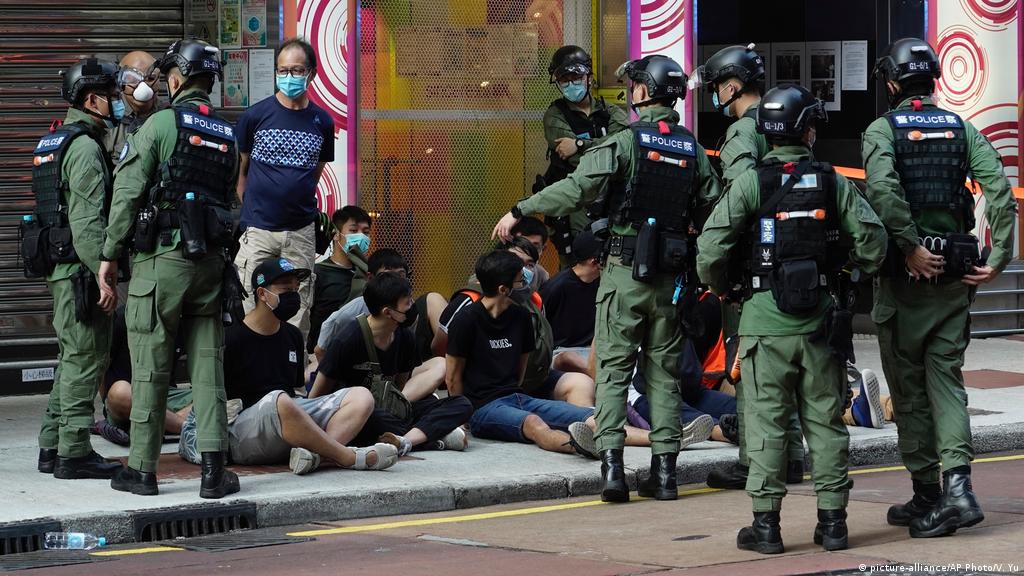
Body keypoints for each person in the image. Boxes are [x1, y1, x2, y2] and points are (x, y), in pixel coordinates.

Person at [493, 54, 722, 503]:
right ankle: (665, 474)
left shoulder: (624, 143)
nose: (631, 92)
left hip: (624, 274)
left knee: (614, 371)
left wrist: (521, 209)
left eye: (635, 86)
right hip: (671, 279)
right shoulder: (692, 149)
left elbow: (576, 189)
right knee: (664, 375)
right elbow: (713, 210)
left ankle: (614, 471)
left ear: (644, 91)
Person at [697, 83, 888, 553]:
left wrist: (727, 289)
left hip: (763, 322)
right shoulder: (832, 181)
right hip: (820, 319)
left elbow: (710, 250)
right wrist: (847, 270)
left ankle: (766, 528)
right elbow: (873, 241)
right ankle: (834, 524)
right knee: (825, 422)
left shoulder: (750, 183)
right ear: (807, 131)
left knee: (765, 422)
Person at [862, 38, 1017, 538]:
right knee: (947, 383)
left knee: (908, 389)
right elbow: (1000, 191)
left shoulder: (882, 130)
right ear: (932, 81)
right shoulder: (962, 128)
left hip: (904, 281)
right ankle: (957, 490)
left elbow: (882, 190)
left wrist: (909, 245)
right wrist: (1000, 258)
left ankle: (929, 492)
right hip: (955, 276)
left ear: (892, 84)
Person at [98, 39, 239, 498]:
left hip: (163, 262)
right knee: (208, 369)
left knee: (150, 367)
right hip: (211, 265)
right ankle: (214, 472)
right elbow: (231, 201)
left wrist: (108, 254)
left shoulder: (160, 123)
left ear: (176, 79)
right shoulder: (228, 134)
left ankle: (142, 470)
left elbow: (127, 192)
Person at [698, 43, 806, 491]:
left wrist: (721, 267)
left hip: (754, 263)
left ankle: (753, 460)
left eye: (716, 87)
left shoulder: (743, 131)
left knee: (747, 365)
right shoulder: (789, 122)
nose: (715, 95)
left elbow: (740, 197)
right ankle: (793, 456)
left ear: (731, 86)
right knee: (791, 368)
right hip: (795, 257)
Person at [30, 58, 124, 480]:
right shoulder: (84, 148)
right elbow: (87, 225)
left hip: (63, 269)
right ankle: (74, 452)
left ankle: (52, 445)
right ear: (91, 100)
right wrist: (105, 275)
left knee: (71, 358)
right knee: (86, 358)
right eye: (111, 95)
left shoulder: (55, 140)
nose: (117, 102)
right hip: (81, 272)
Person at [222, 259, 398, 474]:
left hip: (288, 420)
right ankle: (348, 457)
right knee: (279, 399)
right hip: (246, 432)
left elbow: (297, 392)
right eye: (286, 290)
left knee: (361, 396)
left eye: (296, 289)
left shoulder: (292, 335)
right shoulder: (231, 338)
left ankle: (314, 455)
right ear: (262, 294)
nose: (294, 295)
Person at [446, 250, 600, 457]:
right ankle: (584, 447)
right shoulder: (466, 320)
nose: (527, 284)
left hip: (518, 398)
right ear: (503, 289)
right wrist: (461, 415)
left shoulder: (521, 317)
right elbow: (452, 378)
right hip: (482, 408)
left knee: (591, 417)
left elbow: (521, 370)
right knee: (533, 423)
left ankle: (640, 441)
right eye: (520, 280)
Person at [233, 37, 336, 343]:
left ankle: (291, 363)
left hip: (300, 231)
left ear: (311, 73)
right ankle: (251, 365)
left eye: (297, 70)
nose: (289, 76)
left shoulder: (322, 121)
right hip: (259, 229)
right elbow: (242, 172)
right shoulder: (255, 116)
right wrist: (252, 212)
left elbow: (315, 173)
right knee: (250, 298)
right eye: (283, 70)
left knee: (298, 305)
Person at [310, 272, 473, 454]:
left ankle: (406, 440)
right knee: (375, 419)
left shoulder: (405, 337)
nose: (412, 306)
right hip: (359, 412)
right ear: (388, 312)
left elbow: (399, 390)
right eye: (407, 303)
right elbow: (316, 397)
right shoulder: (348, 339)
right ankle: (428, 436)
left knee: (462, 404)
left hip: (389, 408)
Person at [435, 238, 596, 407]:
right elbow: (442, 348)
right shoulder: (469, 302)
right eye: (517, 262)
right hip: (487, 393)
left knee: (581, 384)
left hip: (532, 380)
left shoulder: (534, 301)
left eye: (530, 264)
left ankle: (587, 420)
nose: (523, 271)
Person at [314, 249, 446, 402]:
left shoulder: (405, 326)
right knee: (364, 400)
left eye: (401, 275)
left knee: (451, 391)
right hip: (355, 399)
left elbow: (400, 382)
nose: (396, 282)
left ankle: (401, 406)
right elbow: (321, 353)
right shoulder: (349, 330)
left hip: (386, 387)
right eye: (388, 276)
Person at [541, 45, 629, 268]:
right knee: (577, 266)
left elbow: (625, 147)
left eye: (576, 77)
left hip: (611, 200)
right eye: (564, 80)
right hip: (574, 205)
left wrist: (579, 144)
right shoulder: (555, 116)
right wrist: (606, 146)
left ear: (588, 77)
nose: (571, 84)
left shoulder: (610, 111)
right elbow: (576, 159)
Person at [93, 306, 190, 446]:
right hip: (128, 400)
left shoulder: (178, 321)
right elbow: (101, 369)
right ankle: (184, 427)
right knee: (120, 391)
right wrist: (106, 404)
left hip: (166, 397)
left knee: (213, 397)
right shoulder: (122, 317)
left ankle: (163, 425)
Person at [307, 206, 374, 352]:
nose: (361, 236)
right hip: (322, 353)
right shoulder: (317, 273)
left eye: (366, 232)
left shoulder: (370, 274)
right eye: (353, 231)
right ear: (336, 235)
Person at [540, 231, 601, 358]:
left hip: (593, 347)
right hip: (561, 350)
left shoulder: (602, 283)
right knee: (566, 358)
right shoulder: (556, 287)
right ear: (594, 262)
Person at [106, 51, 160, 164]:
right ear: (120, 83)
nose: (143, 87)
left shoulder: (169, 117)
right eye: (133, 80)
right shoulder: (109, 120)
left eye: (150, 78)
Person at [510, 216, 552, 288]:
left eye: (534, 247)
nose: (527, 252)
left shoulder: (542, 275)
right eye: (522, 245)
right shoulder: (493, 268)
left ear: (543, 249)